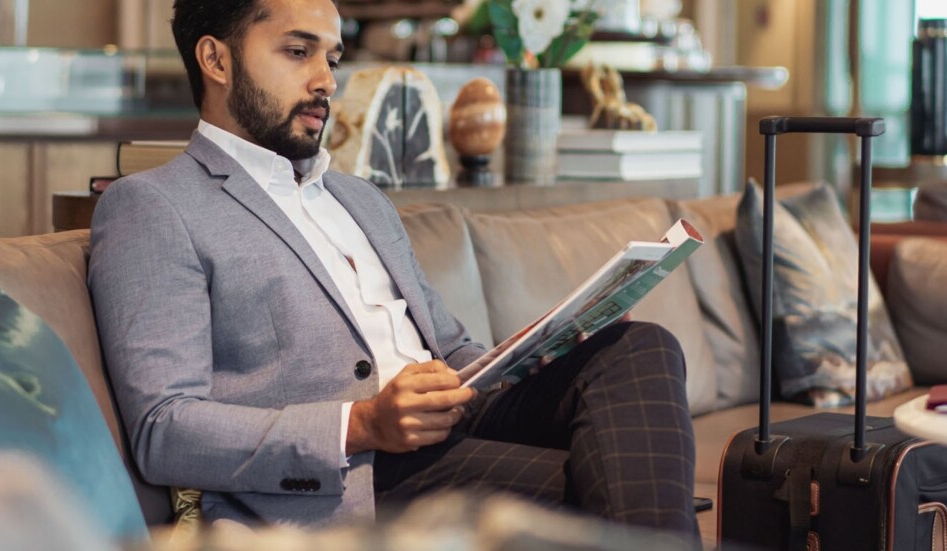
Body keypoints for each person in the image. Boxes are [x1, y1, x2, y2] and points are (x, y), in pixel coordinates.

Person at [87, 0, 698, 541]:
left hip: (453, 411)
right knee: (614, 487)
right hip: (360, 473)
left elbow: (453, 346)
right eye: (298, 52)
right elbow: (164, 430)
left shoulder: (361, 199)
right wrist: (361, 425)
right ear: (215, 60)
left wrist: (530, 350)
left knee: (641, 346)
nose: (326, 80)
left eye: (332, 56)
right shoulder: (153, 205)